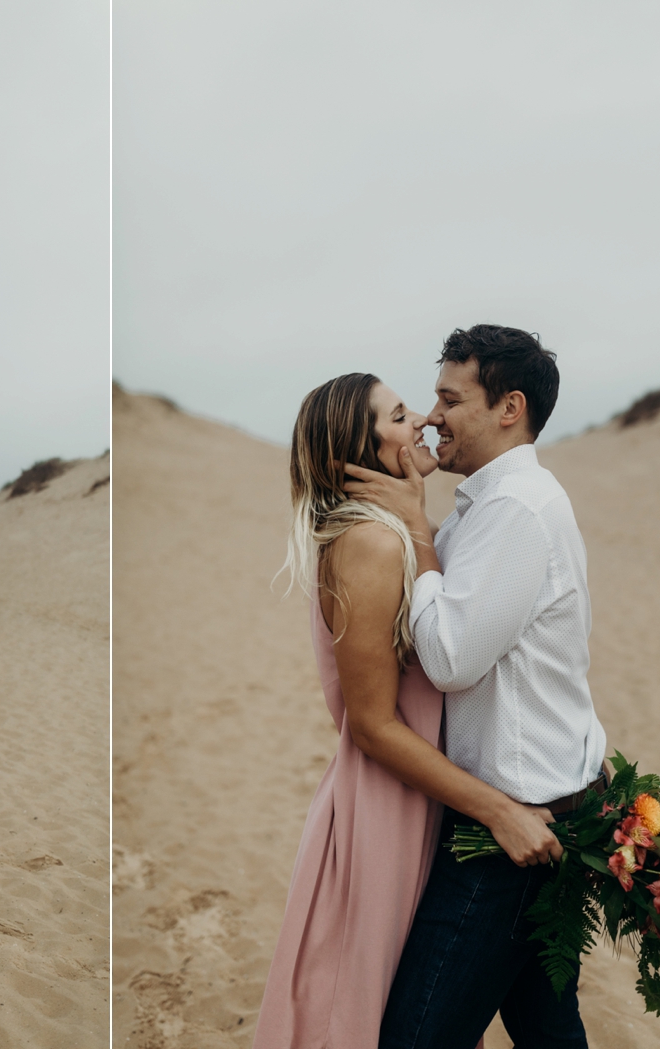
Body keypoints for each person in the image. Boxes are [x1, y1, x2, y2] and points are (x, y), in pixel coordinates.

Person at [254, 369, 565, 1049]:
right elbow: (369, 723)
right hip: (386, 808)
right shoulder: (371, 542)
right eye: (400, 415)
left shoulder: (405, 530)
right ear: (359, 451)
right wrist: (499, 808)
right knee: (365, 1013)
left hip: (424, 798)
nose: (423, 419)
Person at [346, 326, 608, 1048]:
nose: (431, 415)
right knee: (547, 1027)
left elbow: (451, 657)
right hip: (530, 814)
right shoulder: (489, 504)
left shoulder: (516, 510)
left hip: (513, 834)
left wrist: (416, 530)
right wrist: (418, 510)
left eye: (448, 398)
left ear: (508, 408)